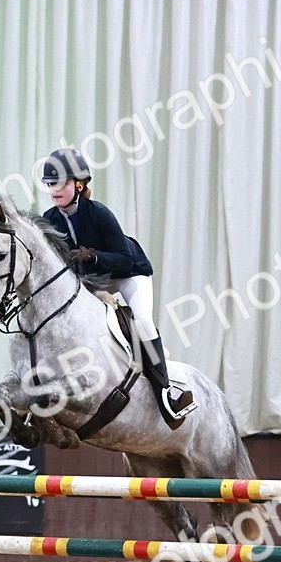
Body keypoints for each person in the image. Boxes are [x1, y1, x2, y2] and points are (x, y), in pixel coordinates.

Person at [40, 148, 197, 429]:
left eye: (60, 183)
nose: (54, 190)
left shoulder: (99, 213)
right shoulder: (49, 219)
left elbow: (124, 260)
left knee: (144, 322)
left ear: (79, 184)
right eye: (50, 184)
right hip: (91, 281)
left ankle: (167, 395)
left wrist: (94, 256)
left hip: (128, 274)